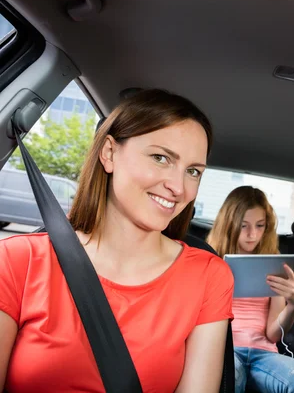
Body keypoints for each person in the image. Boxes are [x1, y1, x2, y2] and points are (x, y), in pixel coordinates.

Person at [0, 89, 234, 392]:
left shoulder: (208, 276)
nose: (178, 187)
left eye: (193, 171)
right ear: (109, 153)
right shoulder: (18, 260)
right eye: (160, 158)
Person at [206, 186, 294, 393]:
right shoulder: (210, 260)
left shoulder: (272, 263)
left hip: (265, 354)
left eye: (260, 226)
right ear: (229, 225)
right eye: (244, 226)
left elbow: (273, 335)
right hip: (227, 350)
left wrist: (293, 304)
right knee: (229, 379)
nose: (252, 234)